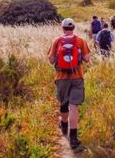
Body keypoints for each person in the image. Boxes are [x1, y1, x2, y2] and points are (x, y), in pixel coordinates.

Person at [48, 18, 90, 149]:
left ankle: (64, 124)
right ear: (73, 28)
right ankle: (73, 139)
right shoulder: (80, 40)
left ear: (62, 28)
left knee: (64, 103)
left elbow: (51, 59)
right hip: (77, 77)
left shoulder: (56, 41)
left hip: (61, 77)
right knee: (74, 106)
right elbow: (87, 59)